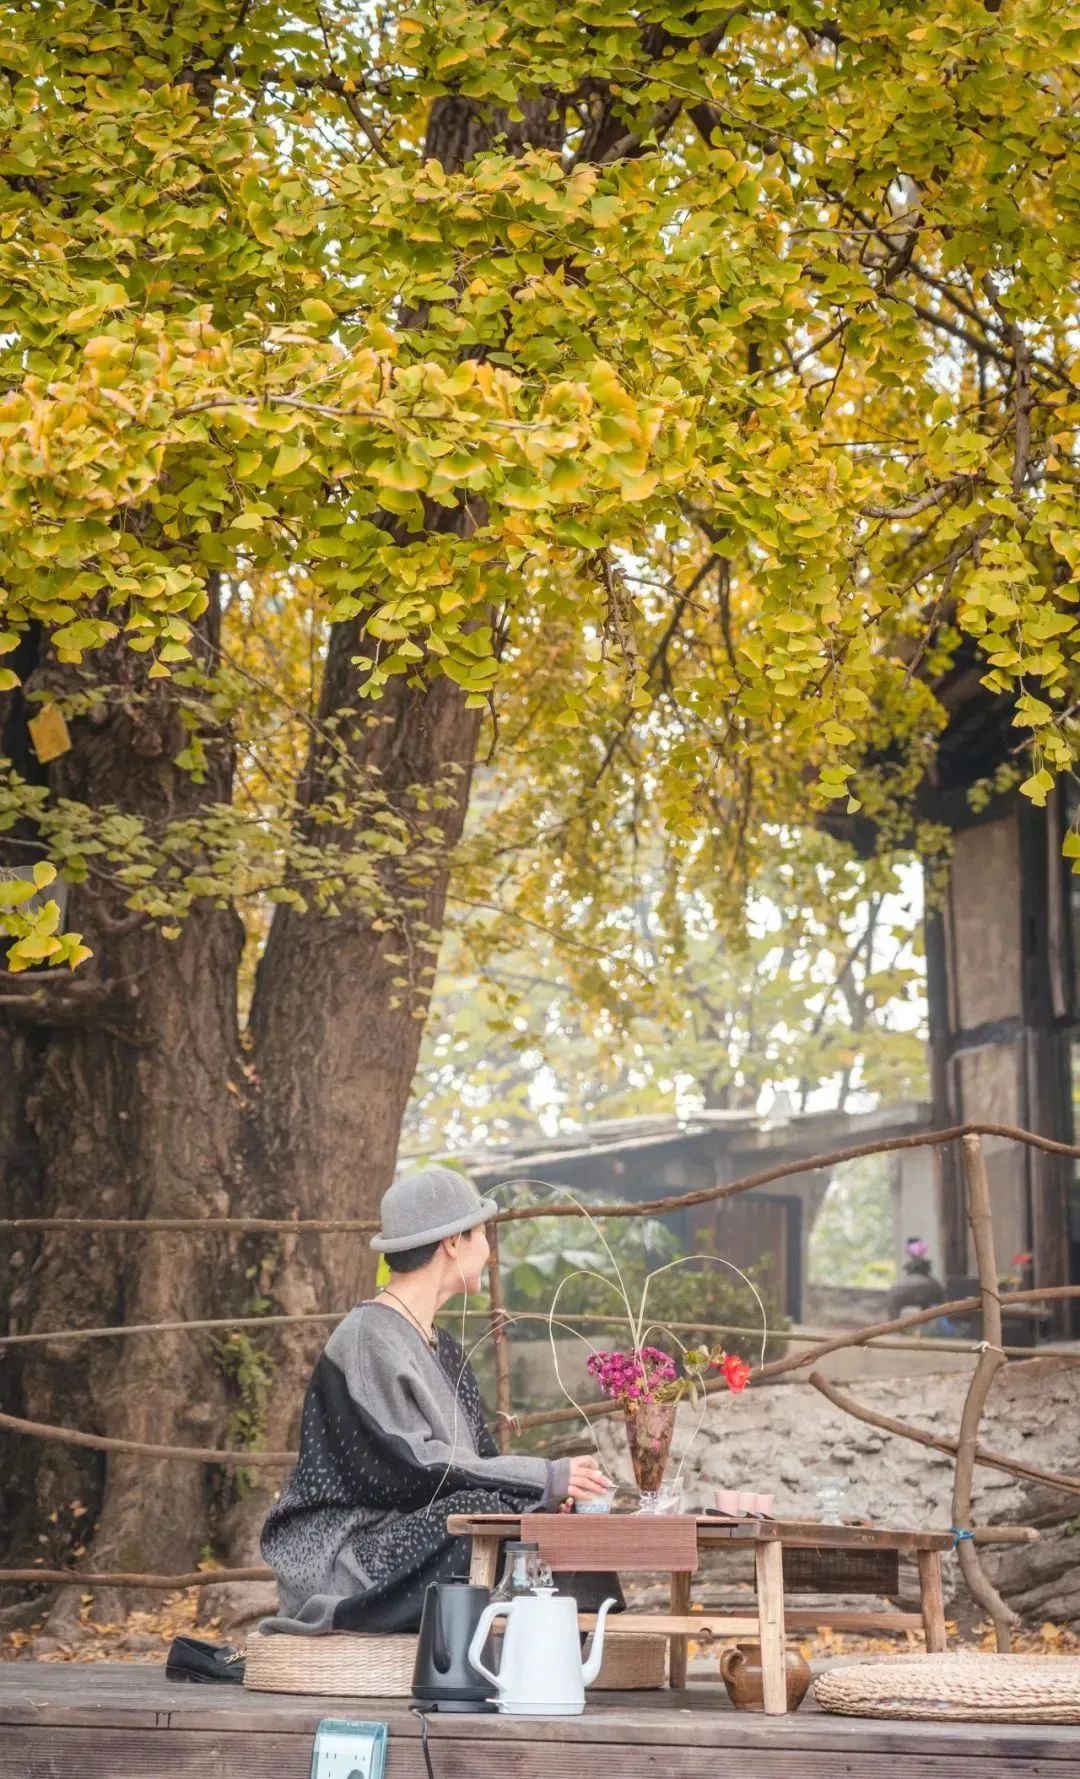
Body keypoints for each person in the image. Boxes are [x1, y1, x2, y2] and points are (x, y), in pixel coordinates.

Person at [260, 1166, 615, 1633]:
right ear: (452, 1242)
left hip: (415, 1536)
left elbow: (479, 1463)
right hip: (350, 1556)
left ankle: (581, 1650)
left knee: (545, 1528)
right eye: (482, 1235)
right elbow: (418, 1462)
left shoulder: (442, 1345)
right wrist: (543, 1478)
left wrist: (541, 1500)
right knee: (482, 1520)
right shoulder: (368, 1338)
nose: (489, 1251)